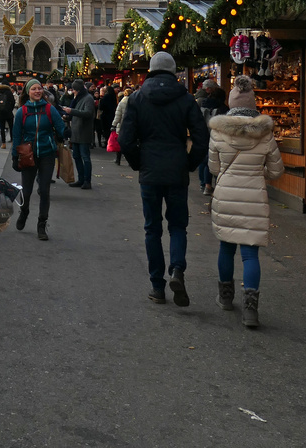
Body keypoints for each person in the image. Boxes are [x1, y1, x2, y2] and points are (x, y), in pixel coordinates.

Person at [118, 51, 209, 306]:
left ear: (151, 69)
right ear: (172, 70)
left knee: (152, 229)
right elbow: (202, 138)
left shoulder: (136, 98)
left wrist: (139, 162)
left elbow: (125, 139)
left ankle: (157, 286)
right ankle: (177, 269)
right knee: (178, 226)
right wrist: (189, 163)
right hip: (176, 168)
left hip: (150, 170)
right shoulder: (186, 98)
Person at [208, 75, 284, 328]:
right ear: (253, 105)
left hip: (226, 196)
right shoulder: (265, 134)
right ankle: (251, 310)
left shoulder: (218, 132)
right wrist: (255, 174)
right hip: (254, 197)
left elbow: (214, 168)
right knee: (250, 255)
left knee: (226, 248)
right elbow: (276, 171)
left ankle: (225, 297)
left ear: (230, 104)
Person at [12, 77, 67, 239]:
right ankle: (24, 211)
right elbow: (16, 135)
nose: (37, 91)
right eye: (34, 89)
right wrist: (15, 157)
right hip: (28, 155)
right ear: (28, 92)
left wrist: (65, 133)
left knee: (44, 190)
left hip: (47, 154)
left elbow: (60, 127)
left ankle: (42, 223)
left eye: (39, 88)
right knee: (27, 191)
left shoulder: (50, 109)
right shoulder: (22, 111)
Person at [61, 79, 96, 189]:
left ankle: (87, 180)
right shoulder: (79, 98)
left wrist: (71, 111)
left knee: (85, 157)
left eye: (74, 90)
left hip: (84, 132)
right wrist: (68, 116)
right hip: (76, 132)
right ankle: (81, 179)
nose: (73, 92)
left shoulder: (88, 98)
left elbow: (88, 113)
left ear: (78, 90)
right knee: (76, 156)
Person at [198, 79, 227, 194]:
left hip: (204, 134)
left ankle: (205, 184)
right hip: (217, 136)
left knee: (205, 161)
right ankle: (215, 184)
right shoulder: (223, 109)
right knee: (216, 160)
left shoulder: (203, 104)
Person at [111, 88, 132, 165]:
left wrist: (114, 124)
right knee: (130, 144)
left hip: (121, 125)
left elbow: (118, 115)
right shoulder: (134, 102)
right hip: (130, 125)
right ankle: (130, 160)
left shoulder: (121, 102)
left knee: (119, 144)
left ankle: (118, 160)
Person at [0, 81, 16, 147]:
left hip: (0, 113)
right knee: (11, 127)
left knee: (2, 128)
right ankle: (12, 141)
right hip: (9, 113)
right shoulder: (9, 92)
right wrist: (10, 109)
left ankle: (3, 143)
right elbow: (13, 102)